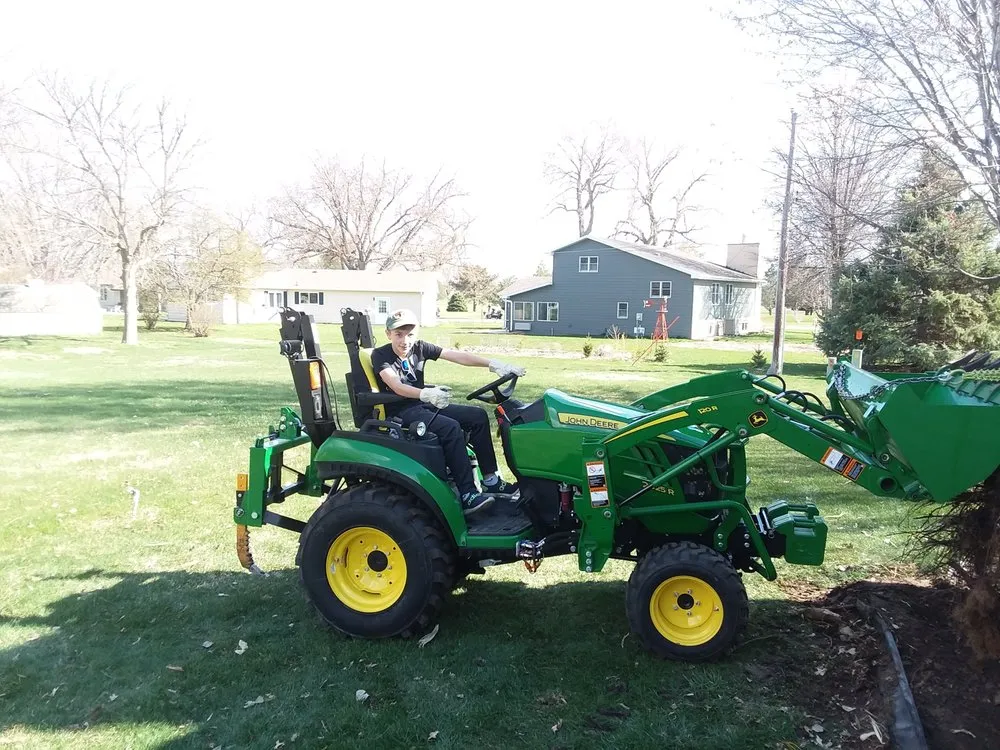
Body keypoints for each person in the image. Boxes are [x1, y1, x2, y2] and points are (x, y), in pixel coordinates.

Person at [371, 308, 526, 516]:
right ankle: (468, 494)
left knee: (477, 416)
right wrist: (425, 393)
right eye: (399, 334)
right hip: (402, 412)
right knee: (450, 427)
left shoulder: (420, 348)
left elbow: (457, 356)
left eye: (410, 334)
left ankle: (491, 481)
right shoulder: (380, 355)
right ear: (388, 334)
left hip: (422, 404)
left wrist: (494, 364)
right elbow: (396, 385)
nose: (405, 341)